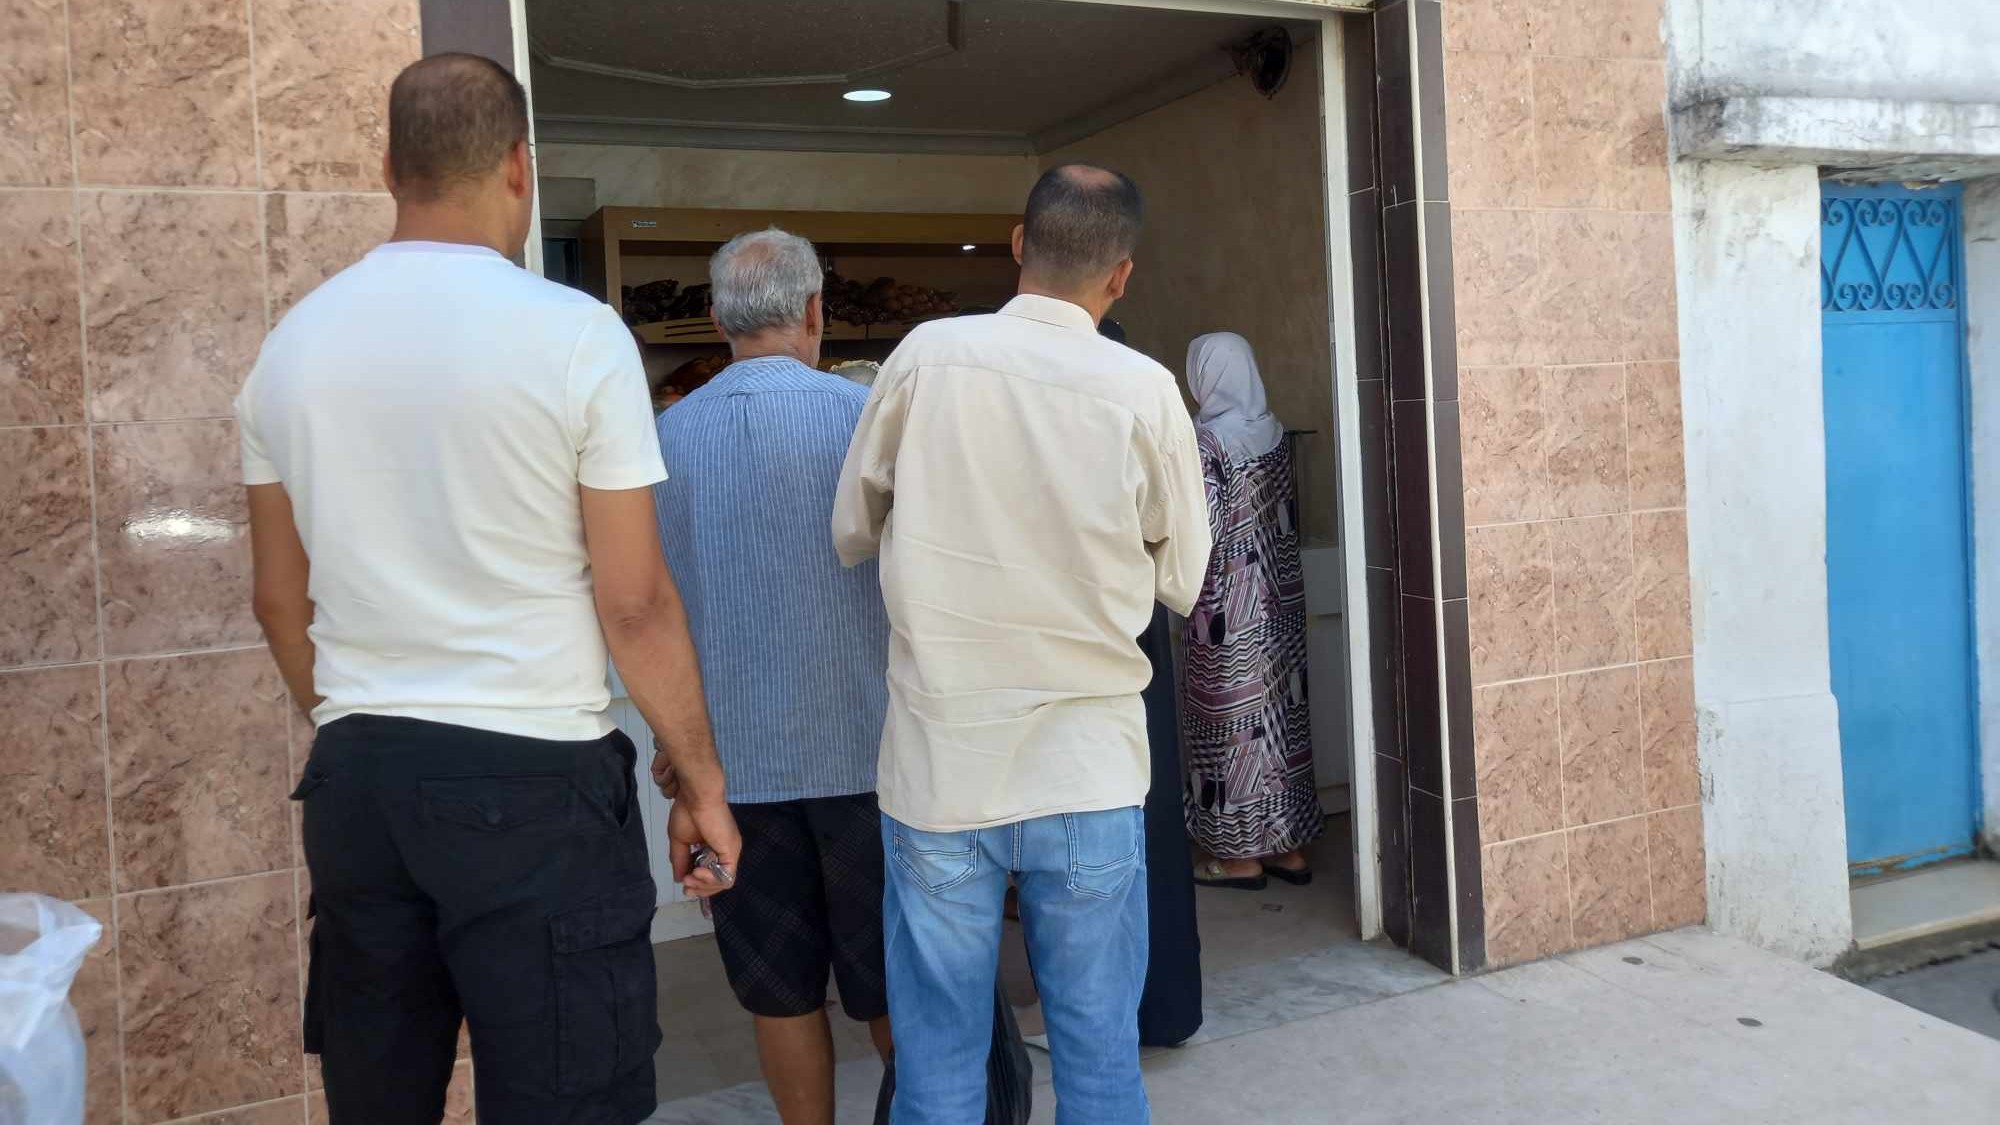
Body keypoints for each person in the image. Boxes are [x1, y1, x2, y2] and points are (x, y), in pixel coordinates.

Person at [235, 54, 739, 1125]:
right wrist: (699, 781)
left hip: (359, 783)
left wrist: (360, 726)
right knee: (567, 1096)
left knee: (381, 1098)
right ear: (519, 166)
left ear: (388, 169)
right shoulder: (574, 335)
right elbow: (634, 600)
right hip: (531, 785)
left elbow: (279, 601)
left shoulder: (287, 351)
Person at [833, 164, 1212, 1124]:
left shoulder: (925, 358)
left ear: (1016, 244)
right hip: (1086, 768)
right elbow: (1184, 576)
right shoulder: (1144, 389)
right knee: (1098, 1063)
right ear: (1121, 276)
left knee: (941, 1070)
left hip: (942, 766)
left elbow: (851, 526)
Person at [650, 228, 893, 1125]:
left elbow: (650, 615)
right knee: (895, 985)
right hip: (874, 758)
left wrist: (675, 753)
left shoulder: (663, 439)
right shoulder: (864, 422)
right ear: (816, 310)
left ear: (715, 318)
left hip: (730, 777)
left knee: (778, 991)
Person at [1179, 332, 1323, 890]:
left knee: (1230, 729)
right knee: (1281, 723)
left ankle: (1238, 857)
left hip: (1226, 616)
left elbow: (1203, 529)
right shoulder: (1274, 432)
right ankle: (1288, 847)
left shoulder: (1206, 442)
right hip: (1282, 601)